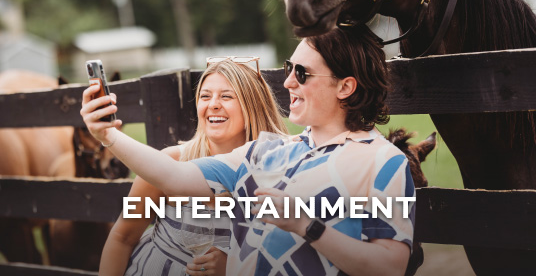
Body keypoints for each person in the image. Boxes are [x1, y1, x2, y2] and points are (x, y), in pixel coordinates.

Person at [82, 26, 415, 276]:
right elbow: (173, 176)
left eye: (302, 73)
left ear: (345, 86)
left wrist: (306, 225)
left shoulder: (384, 162)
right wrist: (107, 134)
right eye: (288, 69)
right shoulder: (269, 153)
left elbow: (390, 268)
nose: (288, 83)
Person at [98, 58, 288, 276]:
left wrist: (235, 268)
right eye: (205, 96)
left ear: (253, 105)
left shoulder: (280, 168)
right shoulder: (171, 162)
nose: (213, 104)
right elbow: (122, 237)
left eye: (226, 96)